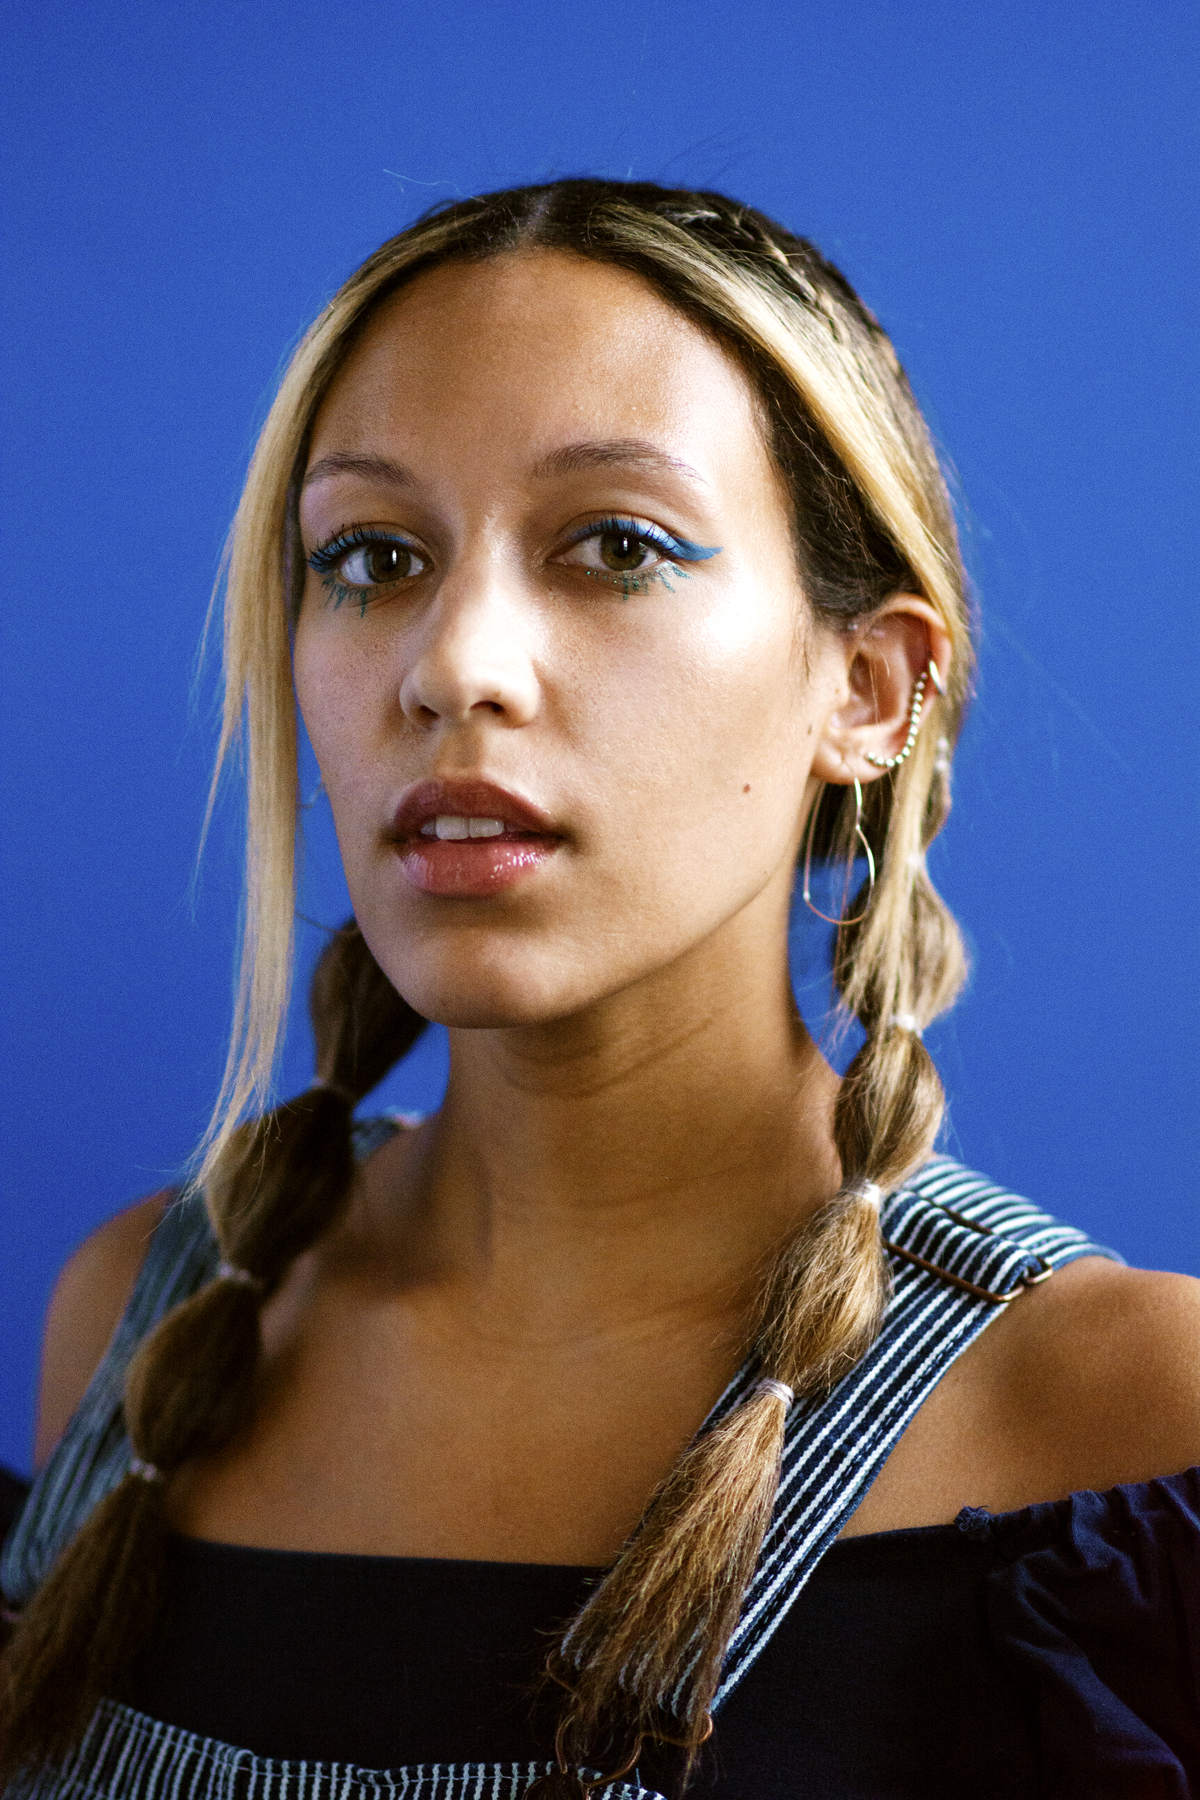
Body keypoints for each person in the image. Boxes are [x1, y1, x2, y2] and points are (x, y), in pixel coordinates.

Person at [2, 180, 1198, 1800]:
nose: (453, 664)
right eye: (372, 557)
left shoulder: (1128, 1416)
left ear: (867, 688)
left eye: (616, 547)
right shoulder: (139, 1320)